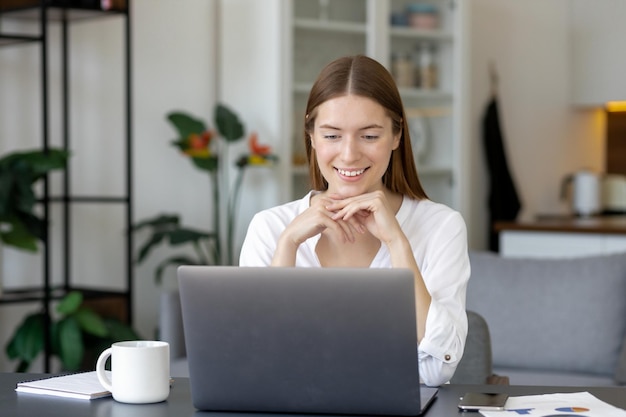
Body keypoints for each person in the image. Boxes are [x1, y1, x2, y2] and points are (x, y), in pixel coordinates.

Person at [239, 55, 469, 387]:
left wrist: (398, 244)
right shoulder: (270, 229)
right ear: (312, 136)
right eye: (332, 135)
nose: (349, 155)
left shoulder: (442, 227)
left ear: (396, 136)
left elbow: (437, 371)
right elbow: (260, 366)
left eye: (369, 136)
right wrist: (287, 247)